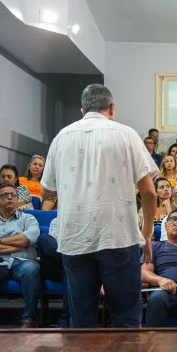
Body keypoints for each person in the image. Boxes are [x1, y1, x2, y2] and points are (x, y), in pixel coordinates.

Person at [41, 84, 158, 328]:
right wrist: (147, 233)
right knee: (126, 320)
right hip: (117, 235)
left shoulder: (61, 137)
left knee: (81, 322)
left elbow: (47, 191)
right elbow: (149, 192)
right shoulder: (126, 134)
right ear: (112, 108)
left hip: (75, 237)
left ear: (82, 110)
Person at [0, 183, 41, 329]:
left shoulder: (28, 218)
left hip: (23, 262)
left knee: (32, 268)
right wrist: (19, 245)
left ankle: (29, 319)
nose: (10, 197)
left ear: (17, 199)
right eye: (5, 195)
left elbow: (29, 239)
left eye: (13, 195)